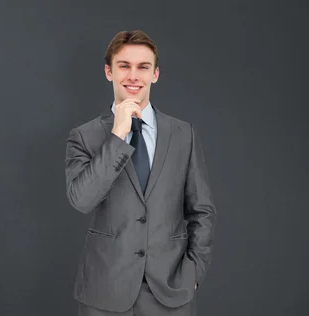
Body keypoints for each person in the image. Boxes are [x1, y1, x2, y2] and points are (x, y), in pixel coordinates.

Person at [64, 30, 217, 316]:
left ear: (155, 74)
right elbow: (82, 199)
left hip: (172, 292)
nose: (133, 76)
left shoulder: (183, 134)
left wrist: (194, 271)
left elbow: (201, 210)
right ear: (109, 72)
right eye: (124, 66)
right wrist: (118, 135)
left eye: (143, 67)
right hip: (104, 292)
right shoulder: (84, 136)